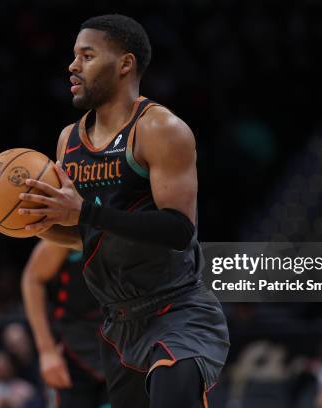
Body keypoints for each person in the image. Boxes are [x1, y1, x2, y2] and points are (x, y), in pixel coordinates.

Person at [18, 14, 229, 407]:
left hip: (177, 311)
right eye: (73, 56)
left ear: (125, 64)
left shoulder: (161, 129)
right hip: (117, 324)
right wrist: (39, 222)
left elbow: (179, 230)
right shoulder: (69, 139)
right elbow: (85, 232)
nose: (72, 66)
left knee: (173, 390)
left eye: (86, 55)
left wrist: (84, 214)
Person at [21, 240, 108, 407]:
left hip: (122, 344)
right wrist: (47, 350)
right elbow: (32, 279)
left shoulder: (130, 226)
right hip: (72, 352)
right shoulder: (69, 233)